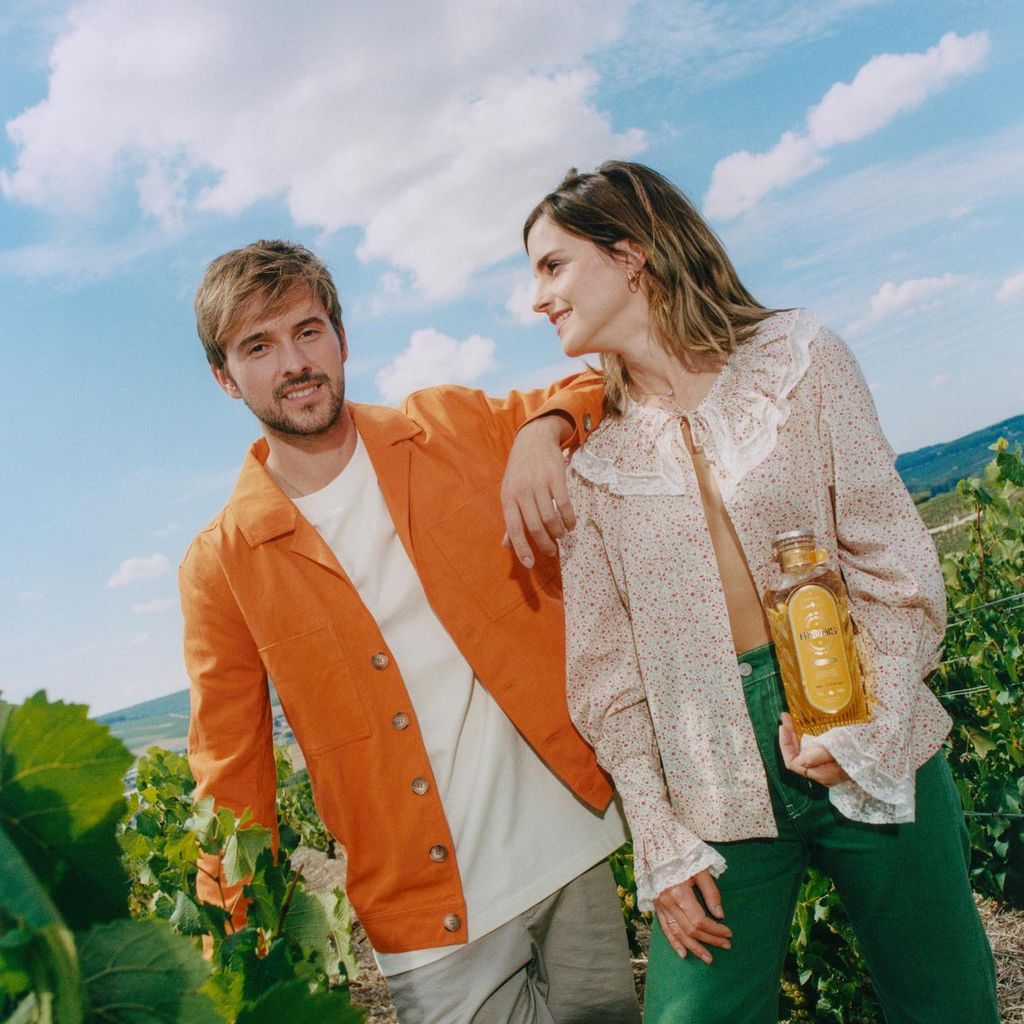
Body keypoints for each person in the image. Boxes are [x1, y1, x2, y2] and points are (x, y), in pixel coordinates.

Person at [517, 161, 1000, 1023]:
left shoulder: (802, 361)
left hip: (865, 716)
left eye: (553, 265)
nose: (537, 296)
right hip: (708, 772)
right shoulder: (591, 469)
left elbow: (894, 563)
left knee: (946, 1003)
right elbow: (608, 681)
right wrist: (660, 838)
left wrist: (870, 712)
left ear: (631, 255)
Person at [180, 240, 640, 1024]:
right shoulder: (221, 563)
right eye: (258, 347)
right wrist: (235, 936)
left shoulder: (448, 426)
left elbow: (606, 384)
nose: (294, 362)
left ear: (342, 338)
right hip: (426, 917)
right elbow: (231, 767)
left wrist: (543, 430)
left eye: (308, 330)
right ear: (226, 378)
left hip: (571, 847)